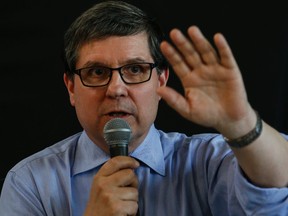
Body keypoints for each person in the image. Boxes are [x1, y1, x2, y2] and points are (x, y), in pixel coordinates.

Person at [1, 0, 288, 215]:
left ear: (160, 80)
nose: (116, 88)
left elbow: (279, 182)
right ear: (71, 88)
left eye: (136, 69)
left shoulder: (206, 162)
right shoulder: (29, 183)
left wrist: (241, 123)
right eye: (97, 72)